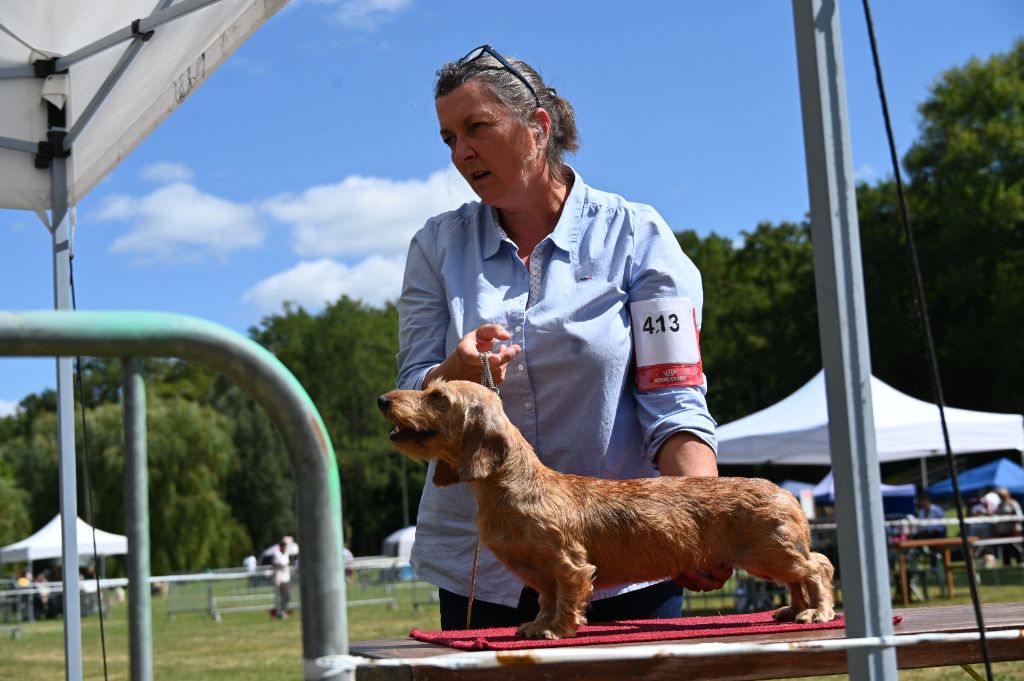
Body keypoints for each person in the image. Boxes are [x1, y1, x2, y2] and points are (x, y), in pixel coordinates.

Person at [396, 45, 723, 631]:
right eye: (448, 138)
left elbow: (674, 399)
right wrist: (450, 375)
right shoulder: (434, 246)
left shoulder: (639, 236)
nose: (461, 152)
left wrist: (703, 516)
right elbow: (411, 390)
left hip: (622, 559)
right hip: (481, 566)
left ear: (538, 127)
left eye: (476, 127)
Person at [271, 540, 292, 619]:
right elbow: (273, 566)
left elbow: (288, 564)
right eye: (284, 546)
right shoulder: (277, 555)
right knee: (281, 596)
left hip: (287, 578)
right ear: (281, 547)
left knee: (287, 596)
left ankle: (283, 610)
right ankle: (280, 612)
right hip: (279, 578)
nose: (285, 548)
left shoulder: (286, 554)